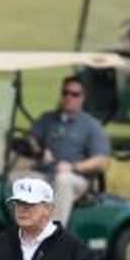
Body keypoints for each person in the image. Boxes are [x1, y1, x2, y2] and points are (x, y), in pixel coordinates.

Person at [29, 76, 111, 226]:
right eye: (65, 93)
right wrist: (41, 150)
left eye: (74, 94)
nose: (69, 97)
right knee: (13, 179)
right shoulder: (48, 119)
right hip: (46, 173)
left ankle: (53, 236)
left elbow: (101, 161)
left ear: (82, 98)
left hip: (76, 179)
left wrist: (73, 167)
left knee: (62, 179)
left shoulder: (91, 125)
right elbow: (31, 139)